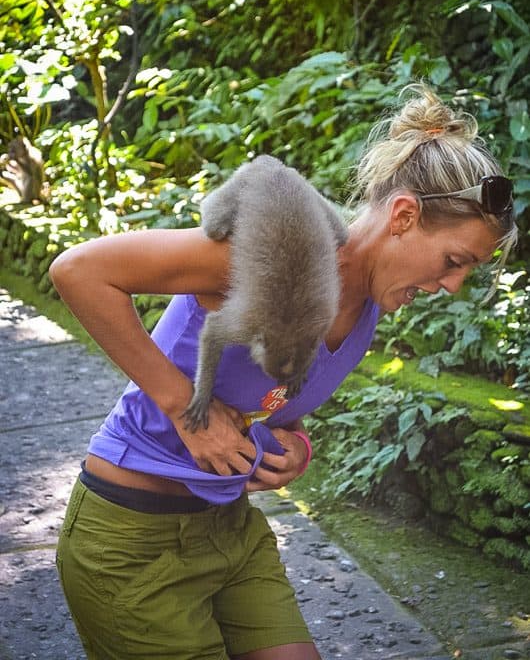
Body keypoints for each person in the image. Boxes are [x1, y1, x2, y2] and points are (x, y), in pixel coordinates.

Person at [50, 85, 516, 660]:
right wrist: (182, 409)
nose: (452, 286)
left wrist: (295, 447)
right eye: (454, 261)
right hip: (131, 539)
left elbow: (274, 406)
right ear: (403, 216)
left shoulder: (368, 309)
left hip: (228, 529)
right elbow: (79, 272)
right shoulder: (277, 250)